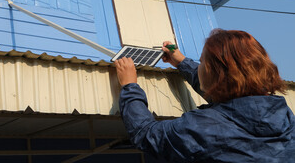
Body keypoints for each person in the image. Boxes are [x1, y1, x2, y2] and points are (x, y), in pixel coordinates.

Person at [115, 29, 295, 162]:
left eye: (202, 61)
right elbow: (227, 95)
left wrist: (130, 85)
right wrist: (181, 61)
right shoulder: (285, 116)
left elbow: (147, 134)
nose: (199, 66)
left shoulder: (201, 127)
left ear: (214, 73)